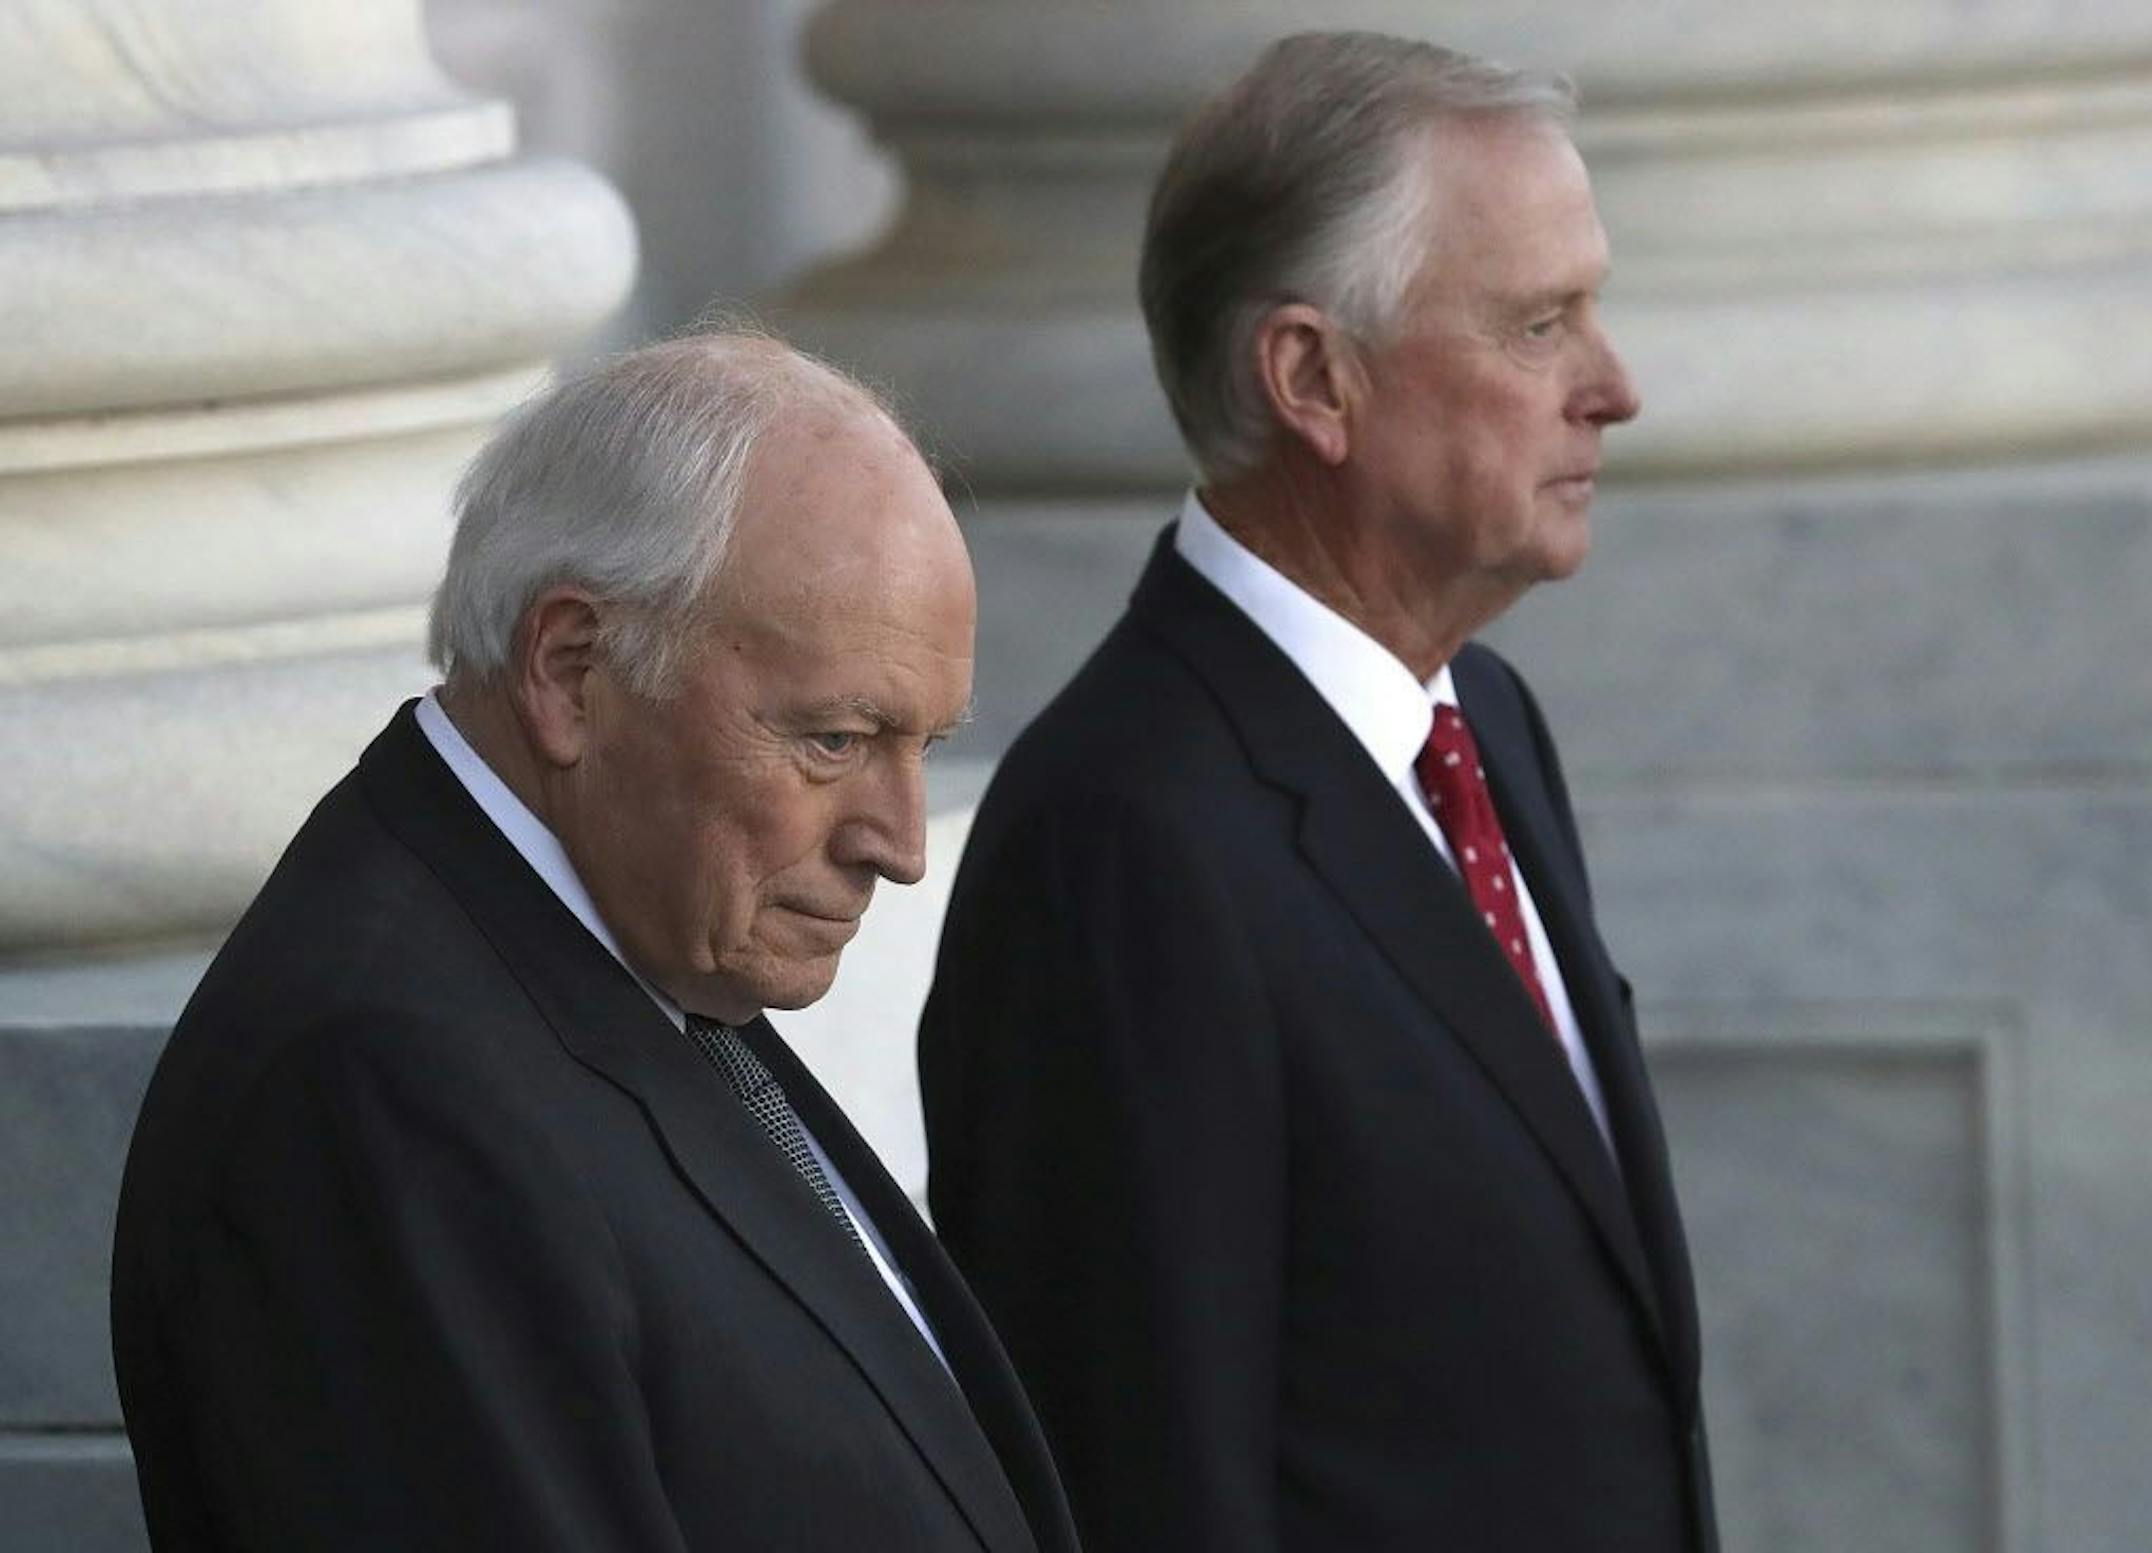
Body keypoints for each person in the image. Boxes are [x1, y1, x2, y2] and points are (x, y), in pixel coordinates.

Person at [920, 32, 1717, 1553]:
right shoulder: (1122, 840)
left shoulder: (1481, 717)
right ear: (1312, 379)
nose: (1612, 388)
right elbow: (1140, 1474)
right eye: (1539, 324)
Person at [111, 333, 1079, 1553]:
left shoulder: (636, 955)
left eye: (924, 749)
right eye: (835, 739)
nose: (899, 844)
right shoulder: (377, 1086)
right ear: (573, 670)